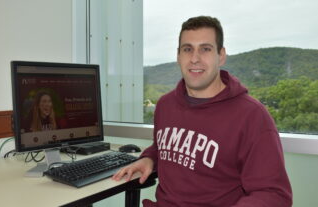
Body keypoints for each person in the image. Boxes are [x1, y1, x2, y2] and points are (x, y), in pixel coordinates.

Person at [112, 16, 292, 207]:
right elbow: (164, 146)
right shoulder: (165, 105)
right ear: (178, 56)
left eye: (205, 49)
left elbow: (274, 195)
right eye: (187, 49)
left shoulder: (252, 116)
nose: (195, 58)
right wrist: (149, 158)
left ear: (221, 56)